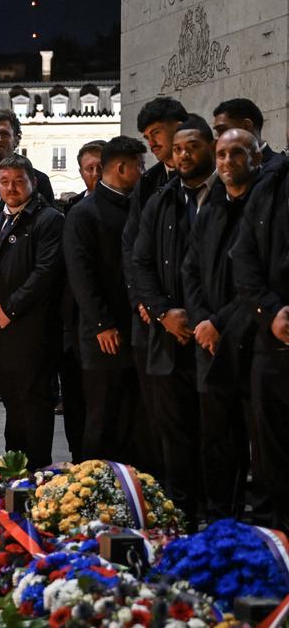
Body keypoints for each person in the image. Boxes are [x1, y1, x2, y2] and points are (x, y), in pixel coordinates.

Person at [133, 114, 216, 525]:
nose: (182, 155)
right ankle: (181, 513)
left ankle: (218, 518)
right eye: (178, 149)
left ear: (211, 148)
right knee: (174, 433)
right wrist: (165, 312)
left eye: (192, 147)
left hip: (213, 336)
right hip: (168, 336)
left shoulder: (228, 197)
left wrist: (203, 319)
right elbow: (140, 263)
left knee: (216, 435)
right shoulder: (161, 199)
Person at [0, 154, 64, 468]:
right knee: (11, 405)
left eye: (18, 181)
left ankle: (36, 473)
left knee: (34, 405)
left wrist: (8, 310)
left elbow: (44, 273)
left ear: (33, 183)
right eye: (5, 181)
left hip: (32, 331)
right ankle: (14, 470)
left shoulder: (49, 219)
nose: (11, 188)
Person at [183, 128, 260, 521]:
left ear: (256, 159)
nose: (227, 162)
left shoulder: (263, 208)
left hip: (250, 339)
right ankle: (218, 521)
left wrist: (217, 322)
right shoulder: (210, 207)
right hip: (208, 342)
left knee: (258, 444)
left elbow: (257, 281)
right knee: (216, 441)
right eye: (222, 155)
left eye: (237, 154)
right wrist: (200, 320)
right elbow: (190, 268)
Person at [64, 136, 148, 467]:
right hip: (103, 334)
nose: (143, 172)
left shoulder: (139, 205)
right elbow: (81, 274)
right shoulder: (84, 213)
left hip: (136, 330)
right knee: (102, 416)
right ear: (122, 167)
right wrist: (102, 323)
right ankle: (95, 487)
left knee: (133, 418)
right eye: (140, 166)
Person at [122, 97, 188, 479]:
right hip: (153, 322)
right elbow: (132, 249)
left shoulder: (201, 177)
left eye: (157, 133)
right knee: (163, 423)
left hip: (194, 319)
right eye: (148, 137)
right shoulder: (148, 185)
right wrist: (145, 302)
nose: (153, 144)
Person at [231, 127, 289, 531]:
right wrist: (272, 311)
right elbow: (245, 258)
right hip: (274, 336)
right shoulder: (273, 185)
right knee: (274, 455)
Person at [56, 139, 106, 461]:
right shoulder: (69, 209)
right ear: (80, 172)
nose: (96, 174)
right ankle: (78, 461)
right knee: (73, 399)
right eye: (89, 168)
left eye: (101, 167)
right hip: (71, 325)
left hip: (103, 325)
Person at [212, 98, 284, 170]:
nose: (217, 138)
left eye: (222, 130)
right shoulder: (221, 172)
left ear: (246, 126)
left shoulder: (284, 170)